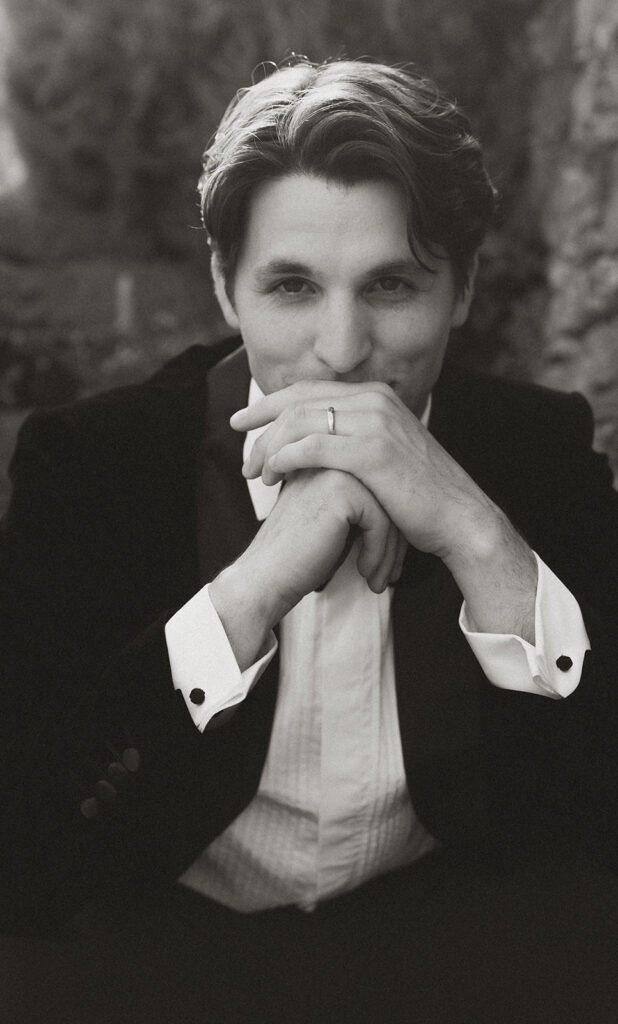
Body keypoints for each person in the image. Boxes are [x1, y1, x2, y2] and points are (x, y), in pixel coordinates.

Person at [1, 57, 617, 1024]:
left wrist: (477, 535)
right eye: (292, 286)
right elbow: (26, 847)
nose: (341, 348)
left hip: (442, 941)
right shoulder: (94, 468)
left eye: (392, 285)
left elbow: (589, 809)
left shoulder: (533, 448)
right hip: (162, 948)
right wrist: (249, 592)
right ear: (223, 285)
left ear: (461, 290)